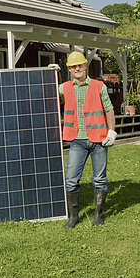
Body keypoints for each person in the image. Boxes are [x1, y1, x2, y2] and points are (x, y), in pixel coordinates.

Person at [50, 51, 117, 229]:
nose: (77, 69)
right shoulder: (65, 87)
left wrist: (111, 132)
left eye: (79, 65)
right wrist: (49, 74)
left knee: (100, 179)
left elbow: (109, 109)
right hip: (77, 141)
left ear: (85, 65)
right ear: (69, 69)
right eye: (73, 66)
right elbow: (47, 91)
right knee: (71, 179)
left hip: (99, 140)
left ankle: (98, 215)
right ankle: (74, 218)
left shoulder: (98, 86)